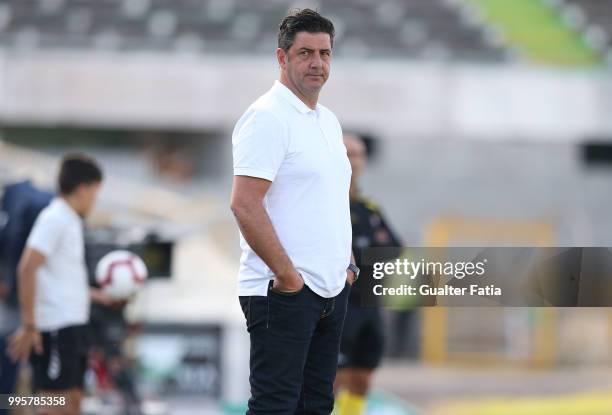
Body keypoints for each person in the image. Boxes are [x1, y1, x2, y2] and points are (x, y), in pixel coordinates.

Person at [230, 8, 359, 414]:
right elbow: (244, 204)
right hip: (283, 291)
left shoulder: (328, 121)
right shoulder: (267, 117)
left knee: (317, 406)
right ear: (282, 57)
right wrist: (287, 277)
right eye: (305, 53)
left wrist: (347, 263)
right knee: (275, 407)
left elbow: (330, 197)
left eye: (325, 53)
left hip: (329, 289)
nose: (317, 63)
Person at [7, 154, 104, 415]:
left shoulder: (71, 220)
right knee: (53, 404)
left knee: (72, 401)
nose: (96, 199)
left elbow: (62, 278)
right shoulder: (54, 217)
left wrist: (96, 296)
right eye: (96, 191)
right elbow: (27, 267)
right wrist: (30, 324)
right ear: (83, 188)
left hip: (73, 325)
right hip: (56, 327)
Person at [334, 133, 402, 415]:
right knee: (333, 376)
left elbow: (394, 248)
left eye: (359, 154)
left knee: (362, 376)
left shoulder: (368, 208)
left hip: (370, 304)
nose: (354, 160)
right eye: (348, 153)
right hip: (340, 303)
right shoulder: (328, 202)